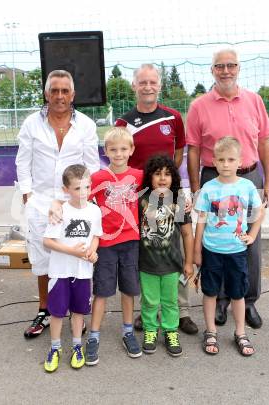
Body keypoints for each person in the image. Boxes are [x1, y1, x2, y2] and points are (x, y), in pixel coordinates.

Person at [186, 48, 269, 329]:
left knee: (249, 241)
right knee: (217, 239)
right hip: (214, 178)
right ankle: (221, 300)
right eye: (220, 66)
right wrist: (197, 187)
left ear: (239, 68)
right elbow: (194, 150)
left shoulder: (254, 101)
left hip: (250, 179)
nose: (226, 71)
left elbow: (264, 143)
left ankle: (248, 301)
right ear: (212, 70)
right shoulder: (199, 105)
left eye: (231, 65)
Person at [16, 70, 100, 338]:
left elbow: (92, 165)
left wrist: (85, 199)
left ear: (73, 95)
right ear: (46, 94)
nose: (60, 96)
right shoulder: (31, 123)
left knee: (75, 255)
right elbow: (22, 161)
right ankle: (45, 310)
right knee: (43, 261)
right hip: (40, 202)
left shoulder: (86, 124)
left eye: (65, 91)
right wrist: (28, 196)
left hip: (74, 203)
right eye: (55, 90)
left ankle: (77, 312)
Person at [115, 63, 198, 335]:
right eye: (142, 82)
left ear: (159, 85)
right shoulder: (124, 122)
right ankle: (146, 310)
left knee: (176, 246)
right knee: (146, 248)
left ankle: (182, 311)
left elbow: (179, 154)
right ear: (134, 86)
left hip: (170, 191)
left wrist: (170, 182)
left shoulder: (173, 117)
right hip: (138, 195)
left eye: (152, 82)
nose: (147, 87)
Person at [194, 137, 264, 356]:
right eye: (221, 159)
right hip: (211, 250)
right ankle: (211, 331)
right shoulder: (208, 188)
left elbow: (259, 210)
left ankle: (241, 332)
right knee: (210, 291)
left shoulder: (247, 186)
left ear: (240, 162)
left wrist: (252, 234)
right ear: (213, 161)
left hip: (237, 251)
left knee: (237, 293)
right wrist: (197, 250)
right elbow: (202, 220)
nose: (226, 164)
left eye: (231, 159)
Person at [85, 127, 144, 364]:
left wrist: (186, 201)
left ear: (131, 150)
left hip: (131, 242)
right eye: (113, 149)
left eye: (123, 149)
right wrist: (58, 204)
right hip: (106, 243)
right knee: (102, 290)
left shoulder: (139, 176)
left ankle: (128, 332)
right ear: (105, 151)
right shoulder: (97, 178)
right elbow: (78, 198)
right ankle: (94, 335)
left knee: (129, 289)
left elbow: (164, 189)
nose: (118, 154)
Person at [42, 164, 102, 372]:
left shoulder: (95, 211)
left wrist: (92, 252)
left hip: (83, 272)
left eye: (86, 187)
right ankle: (55, 348)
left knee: (78, 311)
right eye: (77, 188)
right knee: (57, 312)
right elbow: (47, 242)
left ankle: (77, 346)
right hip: (60, 271)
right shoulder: (60, 211)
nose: (83, 193)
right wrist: (73, 252)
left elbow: (95, 236)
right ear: (66, 190)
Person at [139, 154, 194, 357]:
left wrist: (189, 262)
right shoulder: (141, 200)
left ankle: (171, 331)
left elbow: (187, 234)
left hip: (172, 265)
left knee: (171, 301)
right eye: (157, 174)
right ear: (149, 177)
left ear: (174, 178)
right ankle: (150, 331)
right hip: (147, 264)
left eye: (167, 174)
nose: (162, 178)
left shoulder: (178, 201)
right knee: (150, 301)